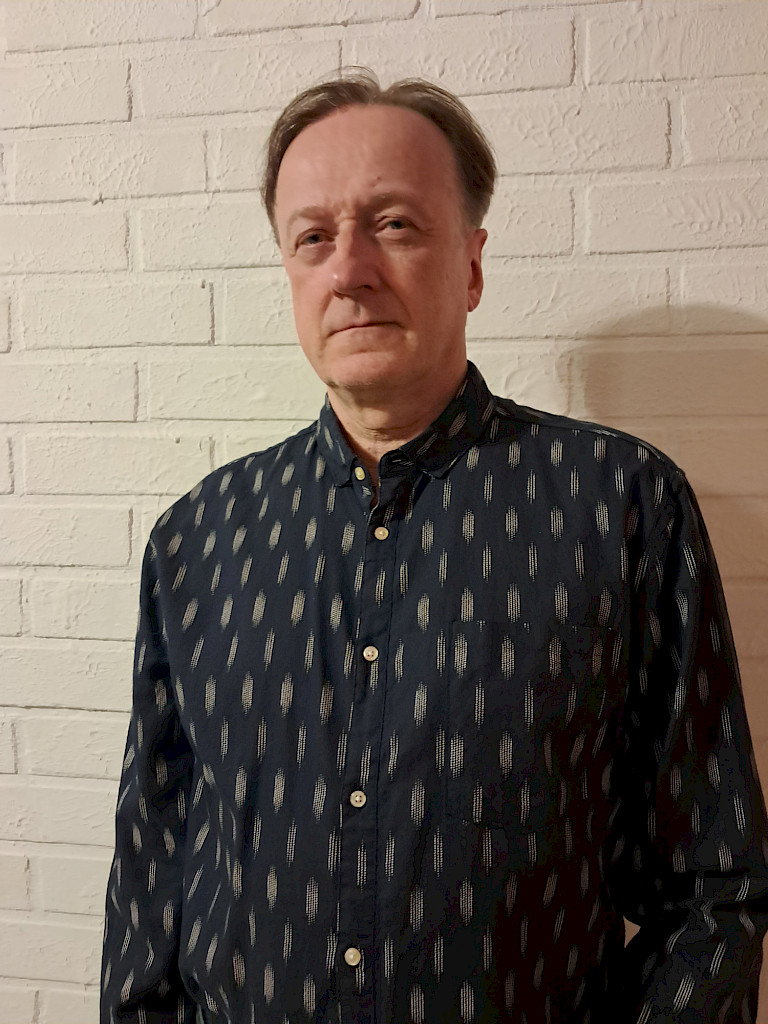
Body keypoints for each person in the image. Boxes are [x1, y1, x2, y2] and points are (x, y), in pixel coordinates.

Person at [101, 71, 768, 1024]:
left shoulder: (622, 506)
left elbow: (713, 889)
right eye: (313, 237)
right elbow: (153, 874)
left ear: (472, 264)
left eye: (395, 225)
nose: (350, 270)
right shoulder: (199, 539)